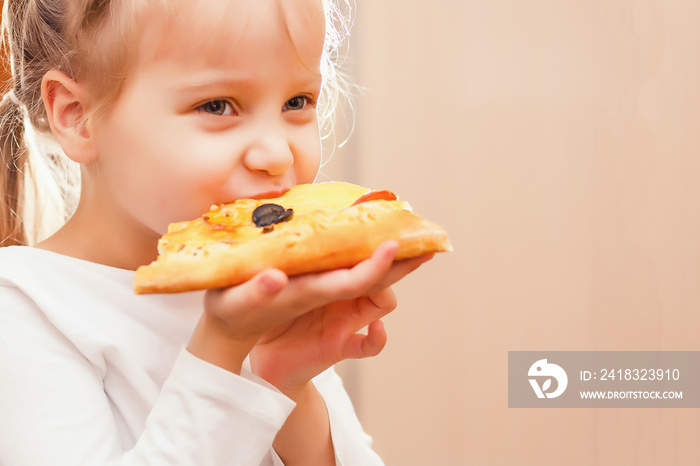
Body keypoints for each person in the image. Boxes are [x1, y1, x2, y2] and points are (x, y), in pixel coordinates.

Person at [0, 0, 434, 465]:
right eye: (217, 105)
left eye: (297, 102)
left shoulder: (264, 289)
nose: (277, 154)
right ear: (77, 115)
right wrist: (223, 347)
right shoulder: (26, 305)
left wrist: (284, 381)